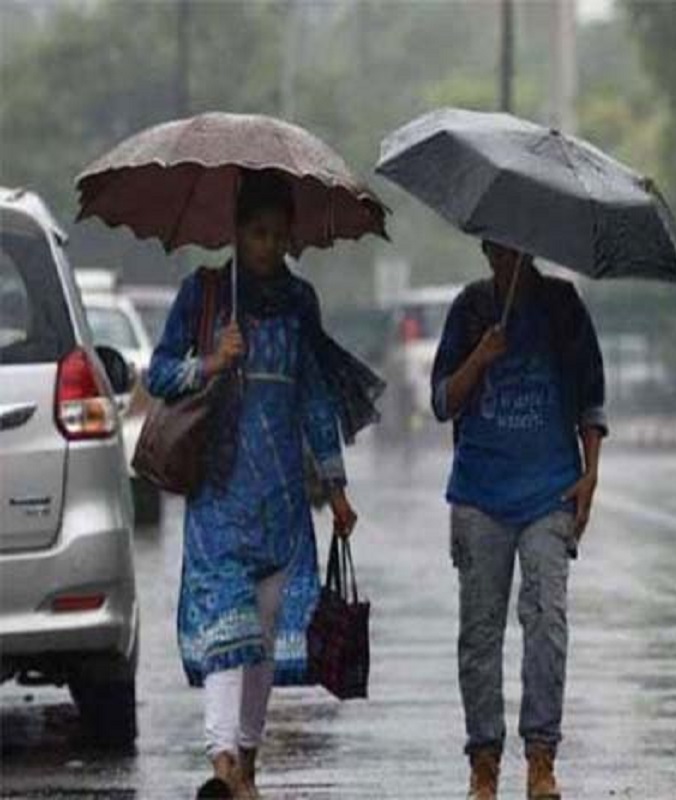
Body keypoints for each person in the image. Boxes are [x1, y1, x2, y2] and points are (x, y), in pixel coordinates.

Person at [145, 170, 381, 798]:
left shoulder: (301, 303)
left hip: (281, 499)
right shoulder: (203, 295)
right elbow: (159, 373)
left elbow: (311, 398)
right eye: (257, 233)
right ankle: (221, 761)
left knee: (264, 641)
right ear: (236, 231)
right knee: (230, 631)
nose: (268, 246)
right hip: (220, 495)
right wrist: (211, 362)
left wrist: (334, 486)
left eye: (279, 235)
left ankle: (246, 763)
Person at [431, 240, 607, 800]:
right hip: (480, 497)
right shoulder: (469, 308)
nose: (507, 258)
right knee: (479, 635)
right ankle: (484, 762)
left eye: (517, 249)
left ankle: (540, 758)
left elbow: (591, 398)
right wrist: (480, 356)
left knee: (547, 622)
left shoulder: (563, 307)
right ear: (484, 247)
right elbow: (442, 401)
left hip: (549, 493)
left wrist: (591, 472)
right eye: (497, 248)